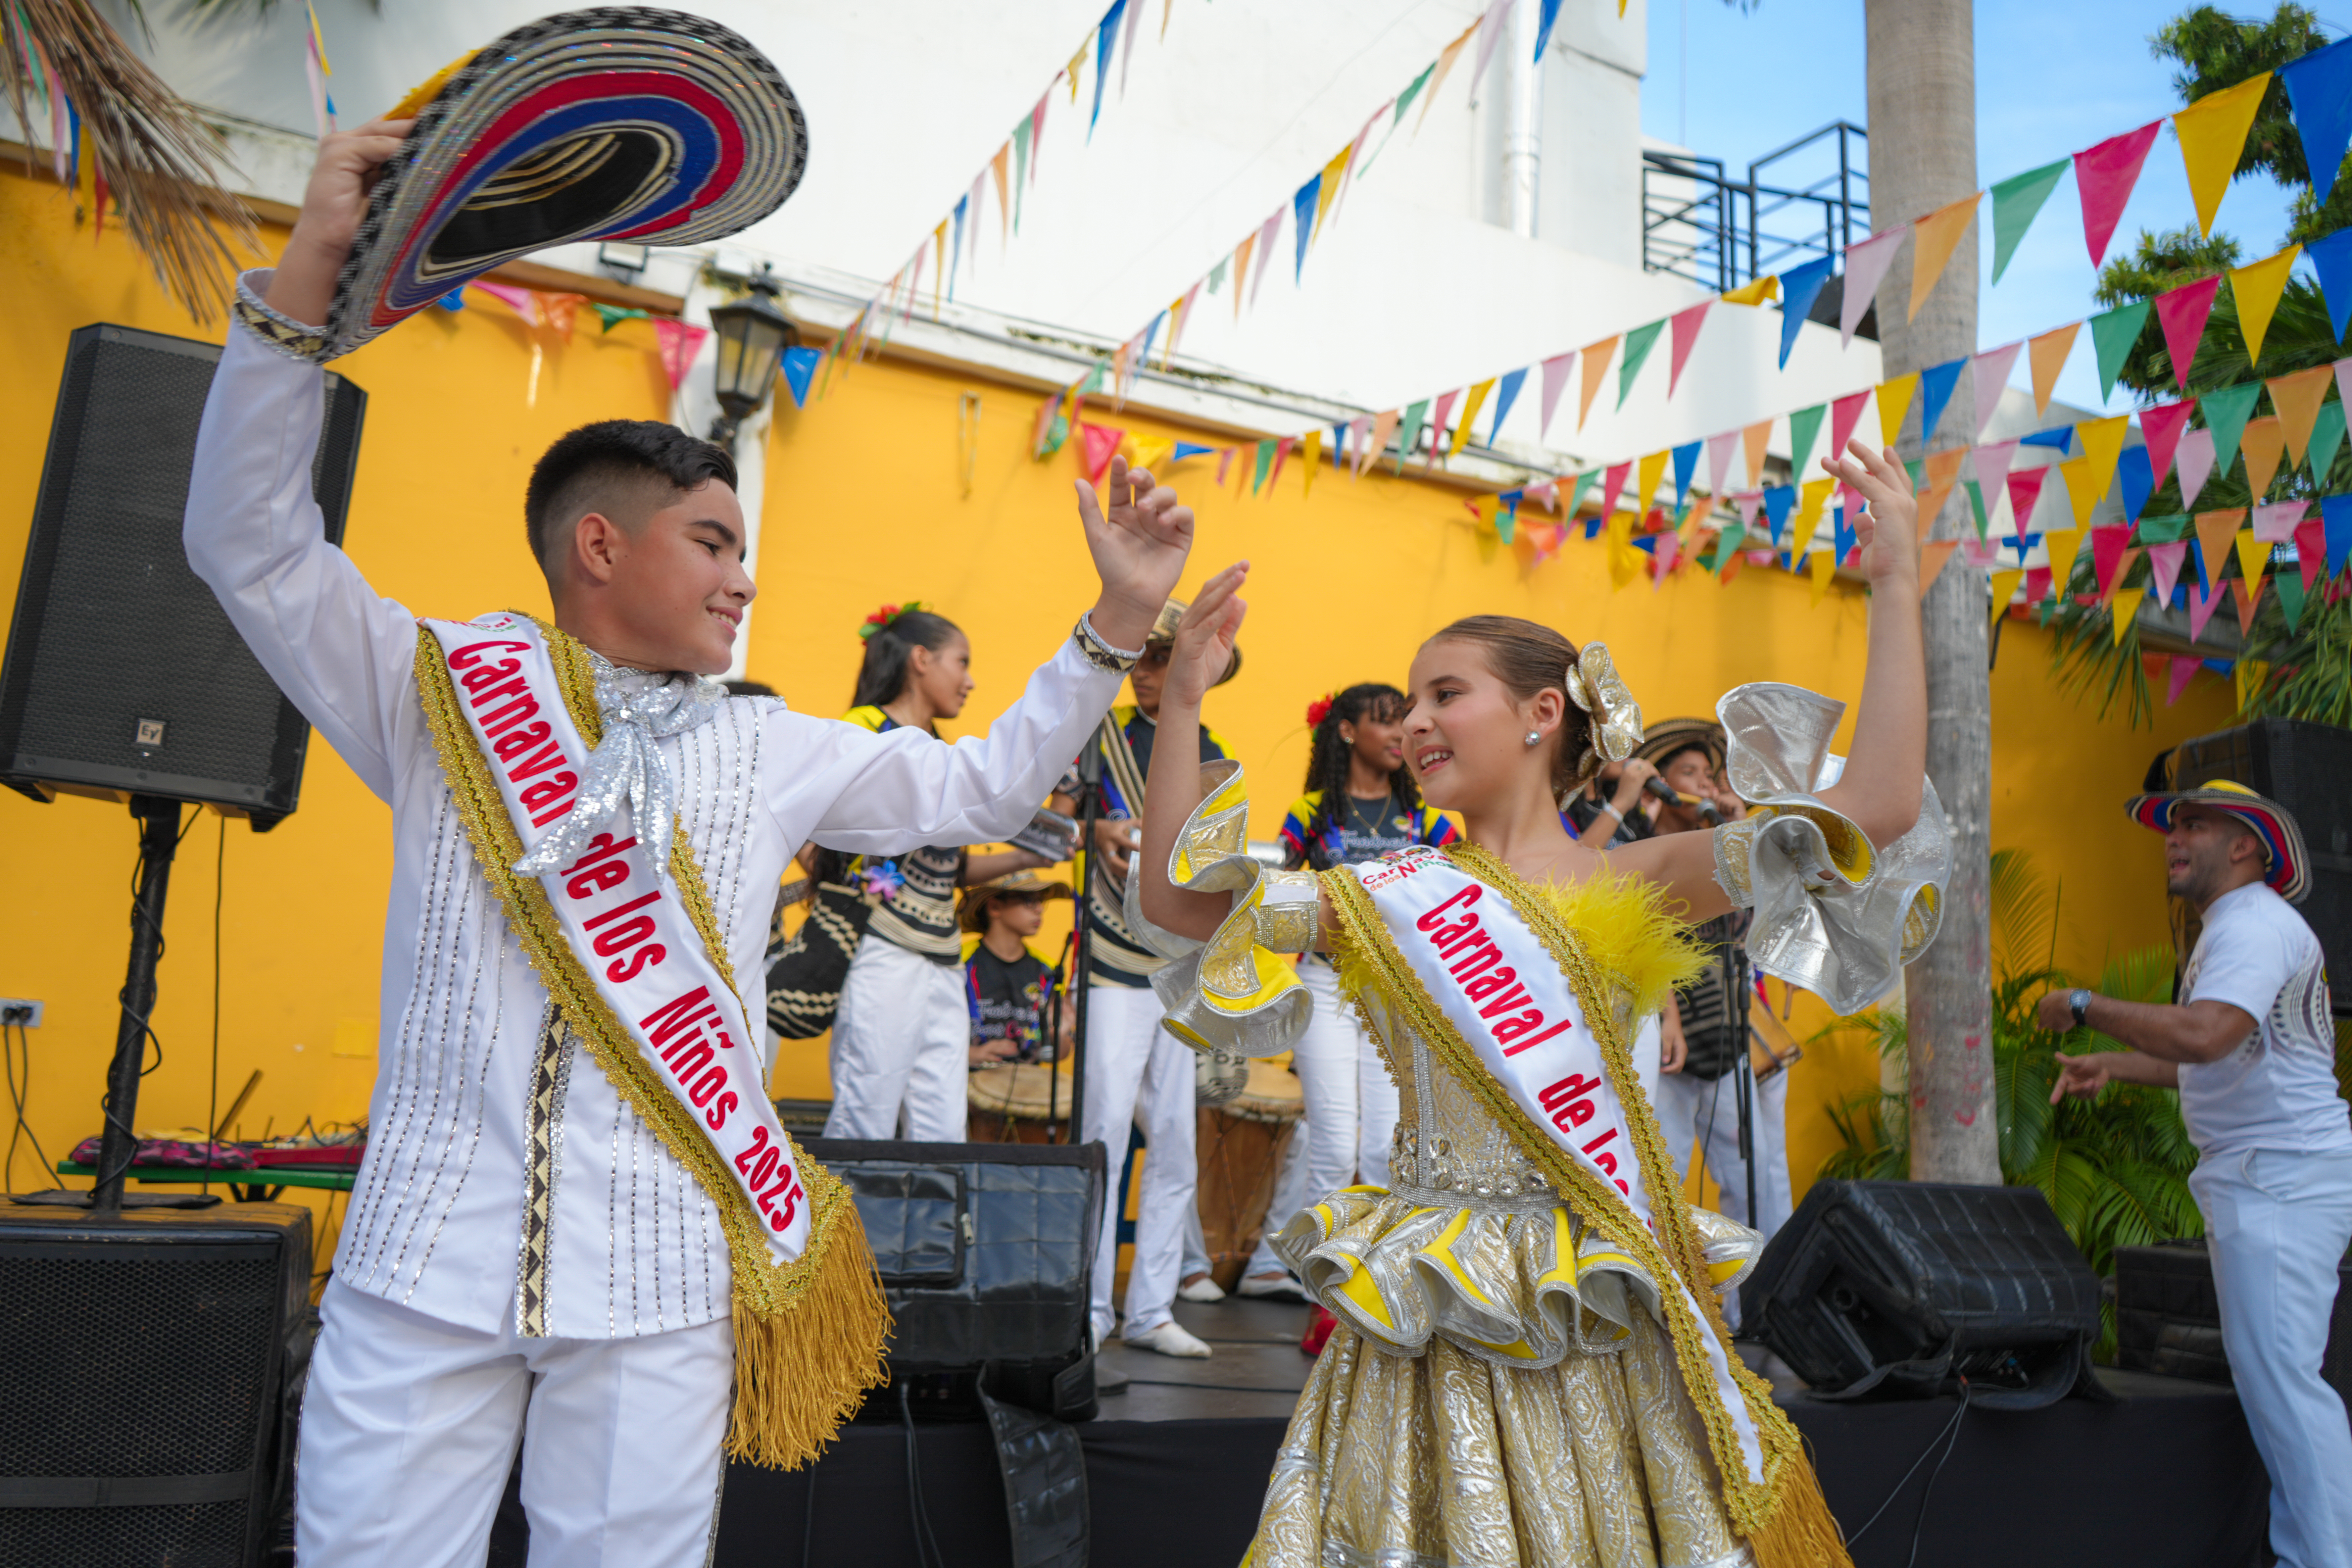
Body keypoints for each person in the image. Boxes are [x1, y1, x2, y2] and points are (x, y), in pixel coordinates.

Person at [183, 117, 1201, 1567]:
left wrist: (1113, 626)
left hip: (660, 1275)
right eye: (714, 542)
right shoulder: (435, 690)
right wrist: (305, 285)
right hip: (422, 1268)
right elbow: (253, 548)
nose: (746, 576)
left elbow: (978, 792)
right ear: (600, 547)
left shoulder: (772, 741)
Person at [1135, 439, 1940, 1568]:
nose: (1413, 720)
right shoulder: (1383, 896)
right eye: (1407, 698)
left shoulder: (1635, 878)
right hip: (1424, 1296)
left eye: (1443, 694)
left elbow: (1874, 810)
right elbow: (1178, 900)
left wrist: (1895, 581)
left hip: (1585, 1292)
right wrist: (1177, 698)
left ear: (1539, 713)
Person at [2046, 780, 2352, 1568]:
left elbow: (2210, 1034)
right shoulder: (2244, 926)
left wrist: (2085, 1004)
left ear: (2246, 845)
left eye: (2195, 825)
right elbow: (2226, 1059)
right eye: (2171, 827)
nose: (2173, 838)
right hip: (2271, 1171)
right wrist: (2113, 1065)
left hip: (2278, 1176)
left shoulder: (2251, 925)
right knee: (2278, 1383)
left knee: (2284, 1385)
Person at [1238, 685, 1458, 1302]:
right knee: (1333, 1143)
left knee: (1387, 1148)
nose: (1400, 733)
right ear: (1345, 732)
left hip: (1395, 994)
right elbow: (1277, 891)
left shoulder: (1427, 822)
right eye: (1385, 722)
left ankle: (1350, 1277)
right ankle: (1319, 1285)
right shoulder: (1311, 812)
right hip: (1326, 982)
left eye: (1404, 723)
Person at [819, 605, 1063, 1142]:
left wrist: (1030, 857)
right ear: (922, 660)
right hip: (883, 948)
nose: (971, 680)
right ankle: (848, 1229)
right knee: (868, 1113)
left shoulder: (943, 753)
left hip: (943, 956)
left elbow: (951, 869)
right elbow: (815, 824)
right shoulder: (865, 728)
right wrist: (835, 892)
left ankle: (926, 1228)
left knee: (942, 1125)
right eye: (963, 662)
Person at [1075, 597, 1239, 1358]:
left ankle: (1150, 1309)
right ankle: (1088, 1308)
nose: (1147, 674)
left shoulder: (1215, 753)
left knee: (1175, 1137)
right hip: (1110, 956)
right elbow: (1043, 823)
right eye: (1142, 659)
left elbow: (1223, 870)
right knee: (1102, 1130)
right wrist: (1091, 830)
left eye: (1161, 659)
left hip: (1177, 962)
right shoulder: (1096, 738)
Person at [1637, 719, 1793, 1251]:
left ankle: (1753, 1310)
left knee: (1750, 1177)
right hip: (1664, 1047)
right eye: (1689, 774)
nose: (1706, 786)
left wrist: (1737, 833)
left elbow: (1759, 926)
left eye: (1709, 775)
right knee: (1662, 1178)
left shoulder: (1715, 851)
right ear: (1657, 783)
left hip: (1726, 1037)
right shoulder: (1635, 850)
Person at [959, 869, 1075, 1068]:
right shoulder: (959, 963)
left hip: (1026, 1084)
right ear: (995, 907)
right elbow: (928, 1031)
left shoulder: (1048, 971)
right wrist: (971, 1055)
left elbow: (1061, 1053)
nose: (1039, 909)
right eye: (1029, 901)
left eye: (1041, 902)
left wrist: (1061, 1033)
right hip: (963, 1084)